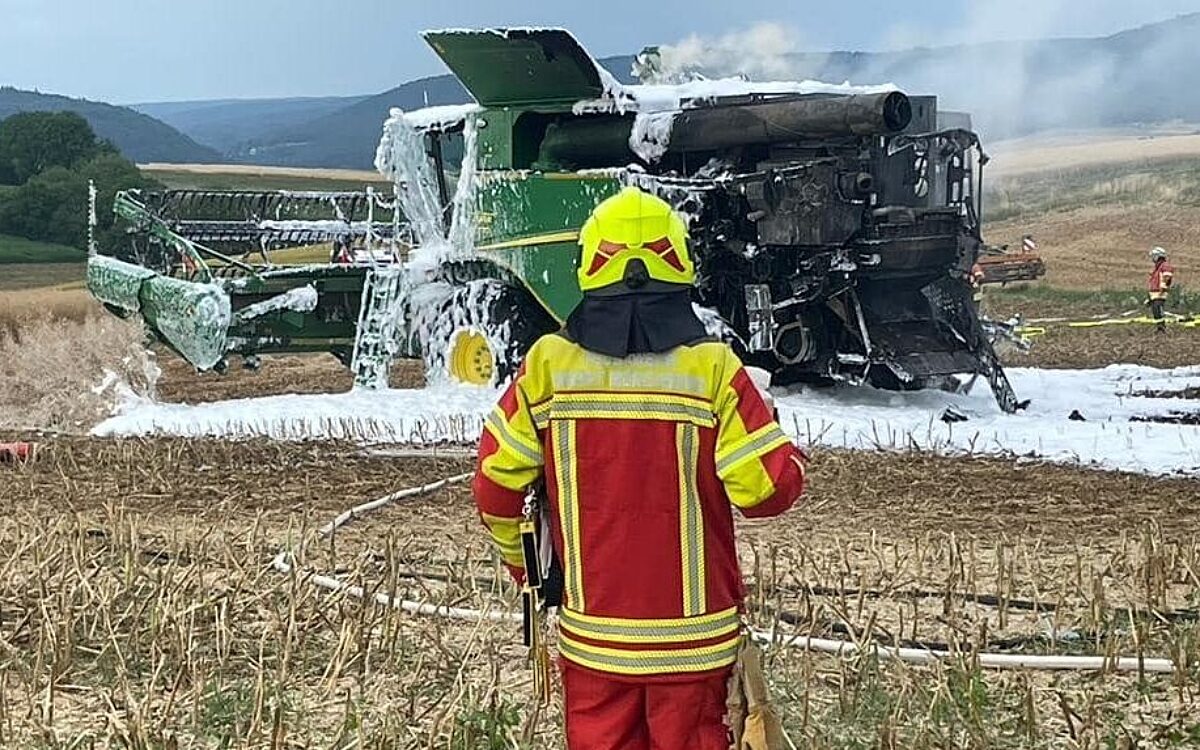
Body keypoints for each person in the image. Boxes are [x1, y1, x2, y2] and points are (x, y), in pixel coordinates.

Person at [472, 186, 807, 750]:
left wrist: (531, 574)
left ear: (588, 267)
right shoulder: (713, 369)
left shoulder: (547, 367)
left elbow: (494, 489)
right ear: (679, 266)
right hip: (695, 649)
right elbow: (766, 490)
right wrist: (773, 428)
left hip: (593, 645)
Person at [1147, 246, 1176, 333]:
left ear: (1158, 256)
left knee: (1158, 309)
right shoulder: (1158, 267)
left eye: (1153, 256)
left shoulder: (1165, 266)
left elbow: (1167, 277)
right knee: (1155, 311)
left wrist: (1163, 287)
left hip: (1159, 292)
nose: (1152, 259)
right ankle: (1159, 327)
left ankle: (1162, 328)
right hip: (1154, 293)